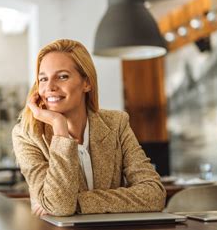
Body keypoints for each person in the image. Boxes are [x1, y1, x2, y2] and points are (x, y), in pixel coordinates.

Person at [12, 39, 165, 216]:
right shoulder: (27, 135)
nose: (50, 87)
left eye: (62, 76)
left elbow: (154, 194)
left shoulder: (116, 123)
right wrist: (59, 128)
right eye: (43, 79)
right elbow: (60, 207)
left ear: (87, 83)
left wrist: (78, 202)